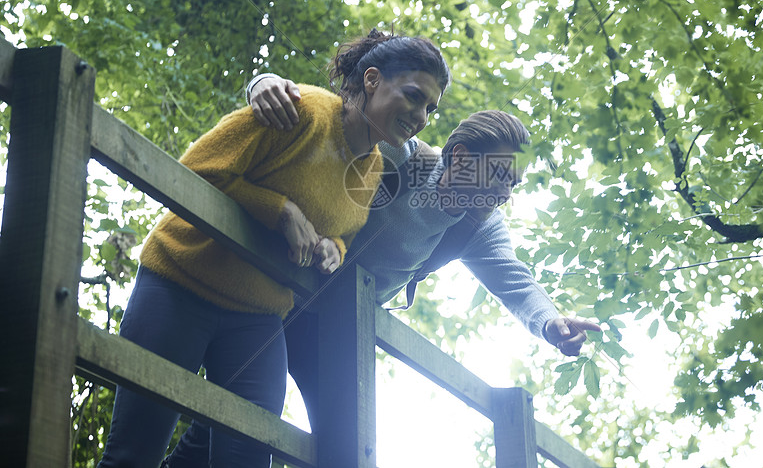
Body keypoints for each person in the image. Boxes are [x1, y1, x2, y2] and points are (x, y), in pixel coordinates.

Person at [160, 81, 599, 468]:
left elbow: (515, 279)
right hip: (278, 298)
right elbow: (341, 121)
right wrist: (266, 83)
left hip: (334, 329)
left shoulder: (478, 225)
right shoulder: (404, 160)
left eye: (514, 184)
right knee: (238, 418)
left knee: (347, 443)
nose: (505, 192)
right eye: (500, 174)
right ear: (461, 157)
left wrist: (549, 323)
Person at [97, 29, 450, 468]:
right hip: (180, 282)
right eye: (414, 97)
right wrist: (281, 212)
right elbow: (194, 168)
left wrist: (333, 249)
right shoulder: (301, 111)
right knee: (133, 454)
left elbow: (344, 230)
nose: (420, 115)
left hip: (258, 317)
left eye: (430, 109)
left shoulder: (375, 169)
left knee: (247, 457)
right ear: (373, 80)